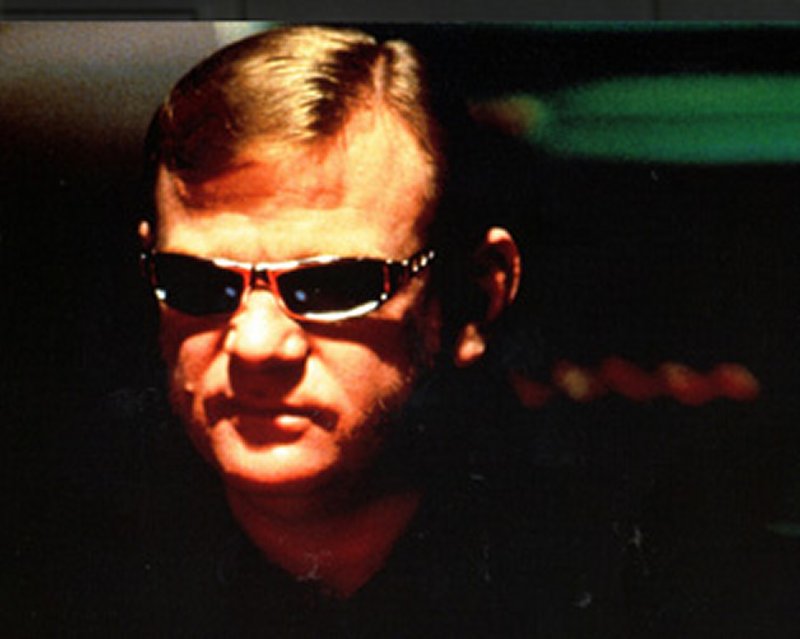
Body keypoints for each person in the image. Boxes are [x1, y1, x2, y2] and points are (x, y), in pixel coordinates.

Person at [46, 24, 641, 637]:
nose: (255, 345)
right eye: (198, 282)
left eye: (335, 285)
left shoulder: (624, 575)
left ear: (476, 299)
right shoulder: (54, 572)